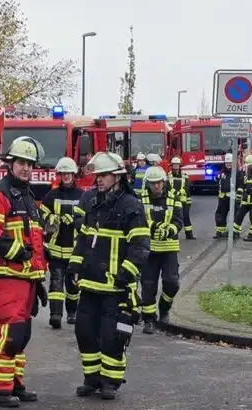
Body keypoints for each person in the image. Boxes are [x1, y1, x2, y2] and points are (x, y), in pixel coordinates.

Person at [68, 152, 150, 400]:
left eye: (103, 175)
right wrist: (74, 266)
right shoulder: (93, 204)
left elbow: (140, 246)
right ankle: (91, 378)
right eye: (97, 176)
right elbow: (83, 240)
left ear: (117, 177)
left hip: (116, 287)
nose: (98, 180)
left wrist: (125, 276)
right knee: (84, 332)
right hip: (90, 285)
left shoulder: (131, 206)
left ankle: (110, 381)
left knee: (111, 336)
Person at [0, 136, 49, 407]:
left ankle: (14, 383)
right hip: (9, 277)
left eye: (30, 164)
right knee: (11, 334)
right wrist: (19, 253)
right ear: (10, 164)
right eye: (21, 162)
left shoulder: (28, 196)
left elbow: (36, 242)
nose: (26, 168)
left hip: (26, 279)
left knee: (23, 335)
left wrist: (39, 278)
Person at [40, 157, 85, 328]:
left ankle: (72, 313)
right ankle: (56, 315)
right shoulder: (52, 195)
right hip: (56, 248)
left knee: (73, 285)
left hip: (75, 250)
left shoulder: (82, 196)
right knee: (56, 282)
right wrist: (54, 218)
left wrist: (74, 220)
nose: (65, 176)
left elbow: (86, 219)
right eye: (63, 173)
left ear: (74, 174)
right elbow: (42, 216)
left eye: (68, 173)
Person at [138, 166, 184, 333]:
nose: (156, 186)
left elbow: (179, 221)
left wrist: (169, 230)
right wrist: (154, 227)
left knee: (172, 282)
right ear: (148, 184)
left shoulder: (174, 197)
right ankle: (148, 319)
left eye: (158, 183)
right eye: (153, 183)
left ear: (164, 182)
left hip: (169, 247)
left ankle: (164, 308)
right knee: (148, 285)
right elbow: (139, 221)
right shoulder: (140, 199)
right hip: (148, 250)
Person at [214, 153, 245, 238]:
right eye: (227, 163)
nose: (228, 165)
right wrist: (217, 177)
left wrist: (238, 197)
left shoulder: (237, 173)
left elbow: (241, 185)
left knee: (235, 215)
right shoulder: (222, 172)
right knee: (220, 214)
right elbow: (218, 181)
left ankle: (235, 232)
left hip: (233, 197)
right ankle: (220, 231)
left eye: (230, 163)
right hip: (223, 197)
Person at [168, 157, 196, 240]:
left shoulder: (184, 175)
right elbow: (168, 186)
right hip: (172, 199)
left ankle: (189, 234)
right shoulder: (169, 175)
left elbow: (187, 186)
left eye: (177, 164)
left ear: (180, 165)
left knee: (186, 217)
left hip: (184, 200)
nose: (176, 166)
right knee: (173, 217)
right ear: (172, 165)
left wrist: (181, 192)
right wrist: (176, 193)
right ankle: (173, 234)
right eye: (174, 165)